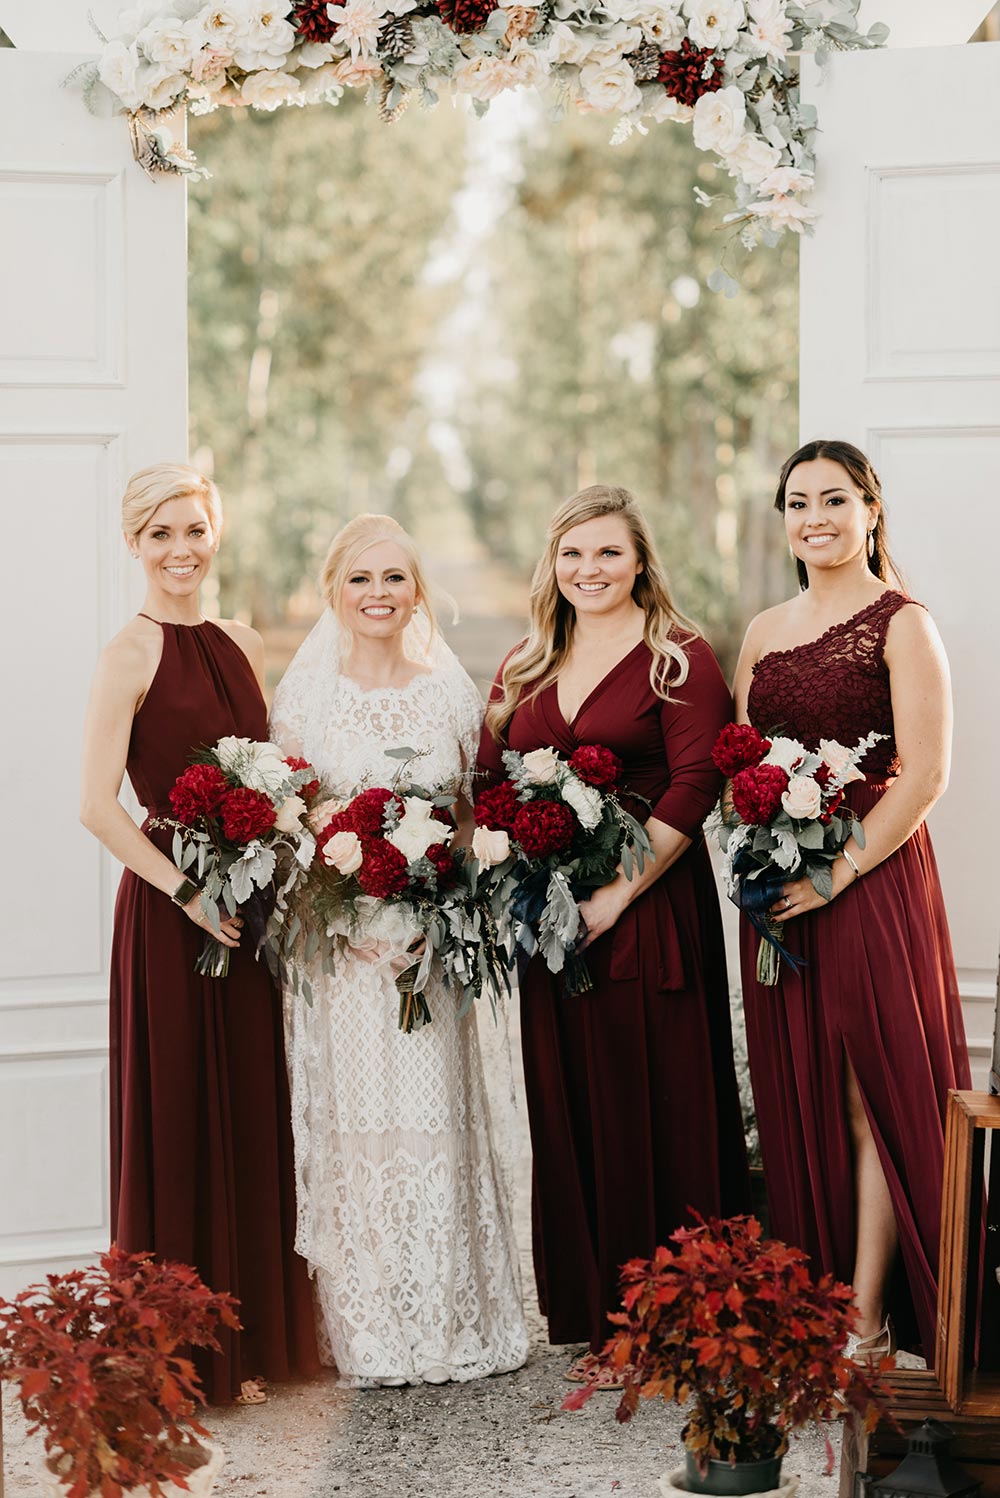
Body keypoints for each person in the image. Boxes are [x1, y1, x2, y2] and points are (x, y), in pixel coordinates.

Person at [477, 484, 751, 1381]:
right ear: (551, 566)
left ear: (640, 562)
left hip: (647, 908)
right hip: (549, 920)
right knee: (572, 1097)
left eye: (607, 553)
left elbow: (693, 785)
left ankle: (677, 1311)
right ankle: (597, 1309)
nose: (589, 570)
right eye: (573, 554)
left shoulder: (678, 659)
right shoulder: (526, 661)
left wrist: (614, 898)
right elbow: (489, 777)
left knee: (657, 1092)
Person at [270, 513, 528, 1387]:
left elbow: (468, 818)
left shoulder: (448, 696)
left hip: (429, 947)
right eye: (361, 580)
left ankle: (453, 1316)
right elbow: (296, 821)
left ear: (418, 590)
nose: (378, 595)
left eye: (395, 579)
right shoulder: (306, 698)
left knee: (434, 1121)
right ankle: (371, 1327)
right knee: (361, 1130)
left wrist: (439, 907)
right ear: (334, 590)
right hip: (341, 955)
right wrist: (343, 919)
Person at [80, 463, 319, 1405]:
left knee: (253, 1102)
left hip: (249, 903)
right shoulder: (126, 654)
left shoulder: (242, 642)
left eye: (195, 531)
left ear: (214, 535)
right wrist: (185, 889)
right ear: (134, 545)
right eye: (161, 535)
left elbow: (271, 772)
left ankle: (254, 1342)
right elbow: (96, 807)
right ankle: (177, 1353)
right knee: (178, 1108)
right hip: (171, 908)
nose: (181, 551)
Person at [732, 438, 970, 1362]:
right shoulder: (762, 630)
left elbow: (928, 775)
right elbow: (740, 763)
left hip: (869, 882)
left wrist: (836, 873)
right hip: (781, 895)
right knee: (807, 1094)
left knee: (871, 1094)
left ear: (870, 509)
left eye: (835, 500)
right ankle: (813, 1301)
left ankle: (865, 1324)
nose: (816, 520)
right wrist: (757, 839)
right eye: (798, 503)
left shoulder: (901, 623)